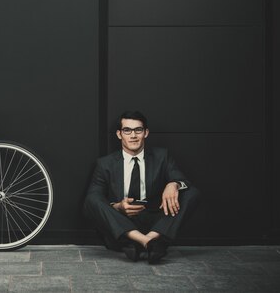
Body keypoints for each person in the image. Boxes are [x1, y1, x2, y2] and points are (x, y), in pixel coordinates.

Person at [83, 110, 199, 264]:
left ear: (146, 133)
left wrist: (174, 184)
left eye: (138, 130)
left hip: (156, 222)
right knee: (91, 199)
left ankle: (145, 241)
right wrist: (117, 207)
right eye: (127, 130)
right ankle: (148, 243)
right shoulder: (105, 164)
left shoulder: (162, 156)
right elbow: (94, 197)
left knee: (192, 193)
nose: (133, 135)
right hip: (123, 222)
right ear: (119, 134)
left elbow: (183, 180)